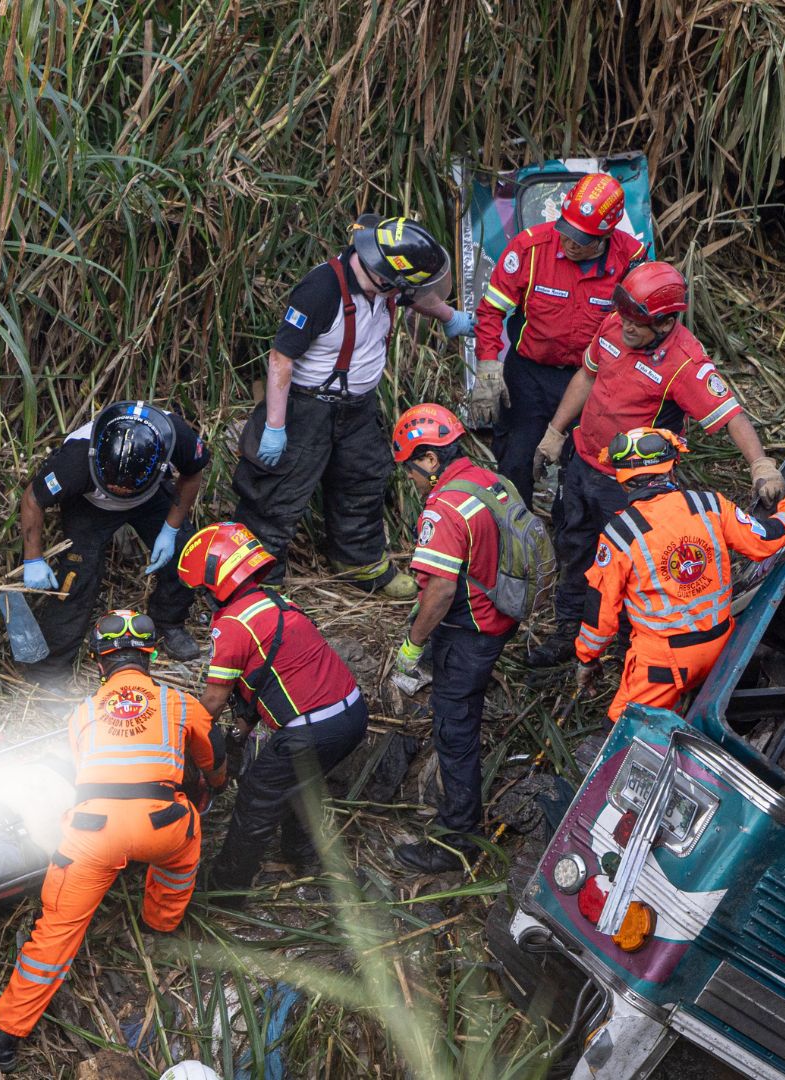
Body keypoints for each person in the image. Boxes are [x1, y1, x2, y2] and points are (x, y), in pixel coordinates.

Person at [0, 611, 221, 1067]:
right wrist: (212, 784)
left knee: (54, 932)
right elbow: (213, 758)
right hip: (163, 822)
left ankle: (3, 1038)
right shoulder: (179, 702)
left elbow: (88, 774)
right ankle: (159, 929)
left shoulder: (83, 715)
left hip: (95, 833)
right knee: (182, 853)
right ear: (150, 656)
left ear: (98, 663)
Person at [524, 261, 785, 666]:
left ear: (664, 324)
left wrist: (761, 466)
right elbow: (587, 376)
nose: (626, 328)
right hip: (584, 463)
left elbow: (731, 414)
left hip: (632, 488)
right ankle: (568, 634)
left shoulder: (685, 361)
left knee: (635, 564)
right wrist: (556, 432)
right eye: (625, 318)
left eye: (637, 324)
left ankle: (631, 648)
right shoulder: (616, 323)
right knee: (573, 547)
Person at [231, 214, 474, 599]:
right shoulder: (320, 290)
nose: (402, 294)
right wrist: (275, 426)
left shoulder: (389, 279)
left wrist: (449, 317)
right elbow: (281, 358)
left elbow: (417, 295)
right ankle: (256, 582)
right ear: (382, 275)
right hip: (305, 407)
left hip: (358, 408)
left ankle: (359, 563)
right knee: (275, 494)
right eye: (399, 288)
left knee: (363, 481)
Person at [172, 524, 366, 895]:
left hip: (312, 727)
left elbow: (212, 701)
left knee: (257, 796)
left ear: (216, 580)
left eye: (202, 588)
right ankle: (301, 854)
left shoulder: (231, 624)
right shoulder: (277, 603)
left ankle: (227, 888)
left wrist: (179, 740)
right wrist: (240, 731)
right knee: (301, 782)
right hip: (353, 715)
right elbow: (265, 676)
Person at [576, 428, 785, 720]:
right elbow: (765, 540)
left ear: (624, 482)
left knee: (628, 726)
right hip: (721, 647)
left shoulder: (621, 534)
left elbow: (600, 611)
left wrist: (587, 658)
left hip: (663, 664)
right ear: (672, 468)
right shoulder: (710, 505)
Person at [384, 406, 521, 873]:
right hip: (497, 616)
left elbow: (440, 589)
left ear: (428, 459)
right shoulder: (486, 480)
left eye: (411, 469)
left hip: (471, 630)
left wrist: (413, 645)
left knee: (454, 729)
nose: (413, 482)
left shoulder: (443, 510)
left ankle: (457, 838)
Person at [465, 173, 646, 498]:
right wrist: (488, 364)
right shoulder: (530, 247)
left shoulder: (630, 260)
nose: (570, 243)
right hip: (529, 376)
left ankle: (570, 537)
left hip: (592, 377)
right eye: (567, 231)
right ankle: (514, 537)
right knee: (515, 462)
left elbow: (644, 327)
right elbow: (491, 310)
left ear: (607, 234)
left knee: (584, 472)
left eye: (582, 238)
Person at [17, 400, 209, 681]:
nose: (119, 491)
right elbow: (33, 498)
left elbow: (193, 474)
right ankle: (51, 668)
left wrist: (170, 529)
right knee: (77, 577)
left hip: (150, 498)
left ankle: (169, 622)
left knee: (185, 553)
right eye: (114, 486)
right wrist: (33, 558)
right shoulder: (76, 461)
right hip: (90, 506)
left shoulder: (176, 436)